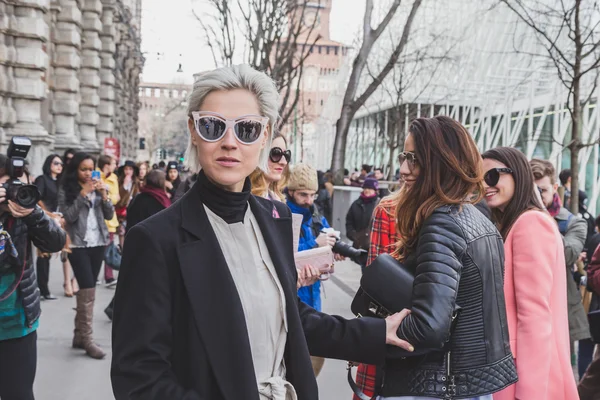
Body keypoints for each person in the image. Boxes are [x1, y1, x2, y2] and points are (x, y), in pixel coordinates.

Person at [111, 65, 409, 400]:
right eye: (212, 126)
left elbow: (289, 318)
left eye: (247, 129)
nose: (229, 142)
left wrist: (375, 332)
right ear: (194, 131)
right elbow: (138, 377)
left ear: (265, 136)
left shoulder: (275, 217)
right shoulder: (154, 239)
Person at [369, 116, 517, 400]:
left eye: (414, 158)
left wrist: (374, 335)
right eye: (404, 157)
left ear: (441, 162)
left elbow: (429, 327)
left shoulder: (443, 221)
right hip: (464, 384)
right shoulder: (477, 216)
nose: (403, 169)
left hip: (433, 384)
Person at [482, 147, 578, 400]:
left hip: (523, 375)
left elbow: (534, 315)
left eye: (492, 176)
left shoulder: (529, 223)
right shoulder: (517, 223)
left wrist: (530, 393)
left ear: (518, 175)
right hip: (515, 370)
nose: (485, 185)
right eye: (479, 178)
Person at [0, 154, 66, 400]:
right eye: (7, 186)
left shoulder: (26, 213)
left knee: (18, 394)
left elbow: (56, 242)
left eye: (18, 185)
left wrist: (33, 214)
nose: (13, 192)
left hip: (18, 324)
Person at [530, 159, 591, 374]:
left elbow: (567, 254)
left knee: (557, 374)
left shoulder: (573, 222)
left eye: (543, 190)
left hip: (558, 308)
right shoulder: (511, 218)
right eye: (533, 190)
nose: (538, 195)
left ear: (555, 188)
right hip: (524, 310)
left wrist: (538, 219)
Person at [58, 152, 115, 360]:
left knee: (86, 289)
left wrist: (104, 196)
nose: (88, 173)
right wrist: (83, 195)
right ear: (75, 170)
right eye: (84, 169)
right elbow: (68, 217)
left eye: (91, 169)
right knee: (89, 288)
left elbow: (109, 215)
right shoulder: (68, 189)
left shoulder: (99, 189)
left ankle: (78, 335)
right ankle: (88, 339)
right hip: (77, 243)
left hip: (98, 241)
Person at [104, 169, 171, 321]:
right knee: (142, 281)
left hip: (134, 243)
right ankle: (119, 308)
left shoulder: (139, 198)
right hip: (151, 248)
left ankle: (115, 307)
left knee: (133, 279)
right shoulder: (160, 200)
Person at [352, 189, 400, 400]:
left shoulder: (457, 213)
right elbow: (377, 284)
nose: (406, 169)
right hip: (391, 325)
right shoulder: (390, 209)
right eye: (404, 159)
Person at [34, 154, 63, 300]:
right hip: (42, 219)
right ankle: (42, 289)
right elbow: (36, 199)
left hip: (54, 220)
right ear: (49, 164)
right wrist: (49, 214)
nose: (59, 166)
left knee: (47, 254)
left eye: (61, 164)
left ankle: (43, 289)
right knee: (43, 255)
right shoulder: (42, 179)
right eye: (56, 163)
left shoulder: (58, 182)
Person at [345, 177, 379, 273]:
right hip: (361, 245)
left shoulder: (379, 204)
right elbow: (349, 221)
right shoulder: (356, 204)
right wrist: (352, 235)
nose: (367, 190)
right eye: (365, 188)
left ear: (375, 190)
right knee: (365, 272)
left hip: (375, 247)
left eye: (370, 188)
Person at [97, 155, 120, 287]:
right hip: (96, 218)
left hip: (109, 219)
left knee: (109, 249)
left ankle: (109, 276)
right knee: (95, 249)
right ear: (106, 165)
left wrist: (106, 191)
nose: (115, 166)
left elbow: (116, 199)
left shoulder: (113, 178)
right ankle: (94, 275)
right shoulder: (95, 175)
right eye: (113, 163)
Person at [249, 133, 290, 201]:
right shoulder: (244, 200)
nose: (284, 162)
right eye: (276, 153)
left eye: (286, 155)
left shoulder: (276, 198)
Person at [115, 160, 139, 248]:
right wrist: (124, 185)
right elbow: (118, 199)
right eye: (126, 169)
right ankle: (122, 250)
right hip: (122, 212)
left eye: (130, 169)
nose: (128, 171)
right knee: (122, 232)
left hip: (133, 211)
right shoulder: (119, 182)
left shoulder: (137, 183)